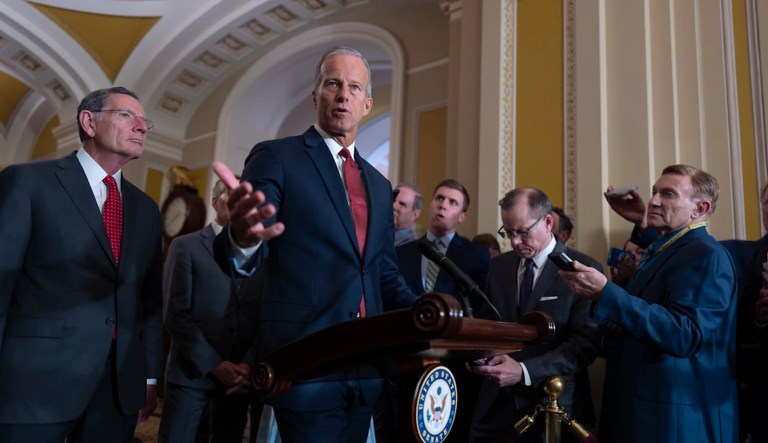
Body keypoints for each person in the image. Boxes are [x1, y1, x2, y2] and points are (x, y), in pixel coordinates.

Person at [211, 46, 417, 443]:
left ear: (367, 103)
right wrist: (244, 236)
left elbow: (382, 271)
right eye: (333, 83)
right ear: (315, 95)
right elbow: (255, 238)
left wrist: (426, 313)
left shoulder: (378, 183)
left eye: (354, 87)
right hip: (305, 359)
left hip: (366, 365)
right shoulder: (277, 156)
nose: (343, 94)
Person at [0, 87, 162, 442]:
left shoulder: (147, 209)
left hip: (116, 391)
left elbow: (149, 301)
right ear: (89, 121)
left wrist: (149, 377)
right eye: (126, 116)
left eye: (144, 121)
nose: (141, 127)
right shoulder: (28, 183)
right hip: (34, 384)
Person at [559, 164, 738, 442]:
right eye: (655, 192)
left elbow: (685, 334)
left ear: (700, 209)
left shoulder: (707, 255)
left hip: (673, 421)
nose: (654, 200)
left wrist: (606, 292)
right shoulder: (667, 247)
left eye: (668, 194)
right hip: (639, 411)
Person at [467, 188, 600, 443]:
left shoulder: (583, 268)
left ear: (548, 222)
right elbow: (487, 323)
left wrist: (524, 370)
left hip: (553, 404)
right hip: (496, 404)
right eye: (508, 232)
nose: (515, 242)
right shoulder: (499, 266)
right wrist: (478, 355)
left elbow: (584, 345)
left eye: (523, 232)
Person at [158, 179, 263, 443]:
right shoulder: (185, 246)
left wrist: (247, 365)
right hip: (192, 377)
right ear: (216, 202)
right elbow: (175, 314)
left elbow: (262, 316)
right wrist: (214, 365)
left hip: (238, 382)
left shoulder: (262, 253)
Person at [395, 178, 490, 442]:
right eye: (439, 198)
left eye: (452, 202)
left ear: (462, 215)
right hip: (405, 359)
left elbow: (480, 309)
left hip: (452, 364)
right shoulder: (402, 252)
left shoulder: (474, 255)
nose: (443, 205)